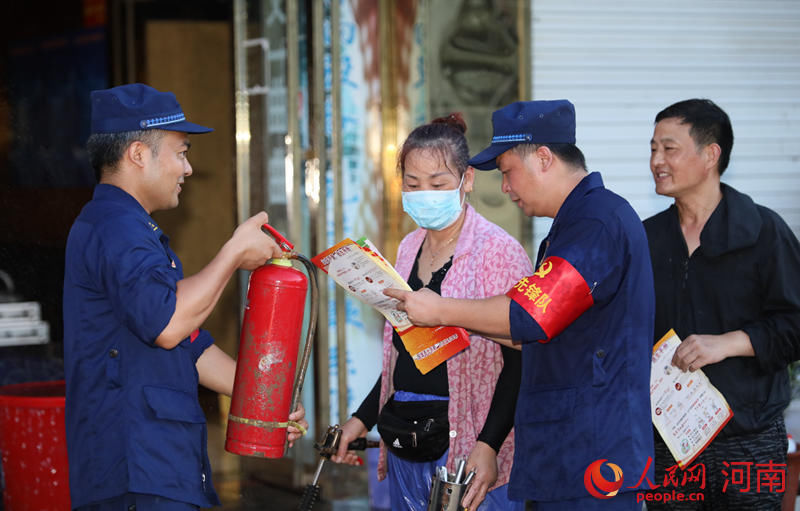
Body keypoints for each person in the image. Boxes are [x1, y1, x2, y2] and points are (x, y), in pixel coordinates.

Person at [385, 100, 655, 510]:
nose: (506, 187)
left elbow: (529, 315)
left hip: (595, 455)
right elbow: (526, 329)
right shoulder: (570, 227)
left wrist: (440, 310)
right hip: (565, 451)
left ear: (544, 158)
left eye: (508, 171)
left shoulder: (596, 222)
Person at [63, 83, 308, 511]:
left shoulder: (132, 229)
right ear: (138, 154)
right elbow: (168, 324)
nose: (187, 169)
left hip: (156, 465)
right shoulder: (116, 227)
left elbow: (189, 346)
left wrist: (268, 403)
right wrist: (233, 253)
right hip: (135, 469)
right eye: (181, 152)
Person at [330, 113, 533, 510]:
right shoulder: (407, 248)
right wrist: (361, 419)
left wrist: (488, 445)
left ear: (467, 180)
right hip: (407, 436)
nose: (424, 193)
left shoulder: (498, 252)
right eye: (412, 184)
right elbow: (404, 353)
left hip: (470, 443)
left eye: (438, 184)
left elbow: (521, 360)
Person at [644, 98, 800, 508]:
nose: (657, 160)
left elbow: (795, 325)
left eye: (669, 148)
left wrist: (729, 342)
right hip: (671, 447)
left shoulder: (764, 231)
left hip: (751, 441)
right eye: (653, 148)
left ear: (710, 154)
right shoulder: (645, 239)